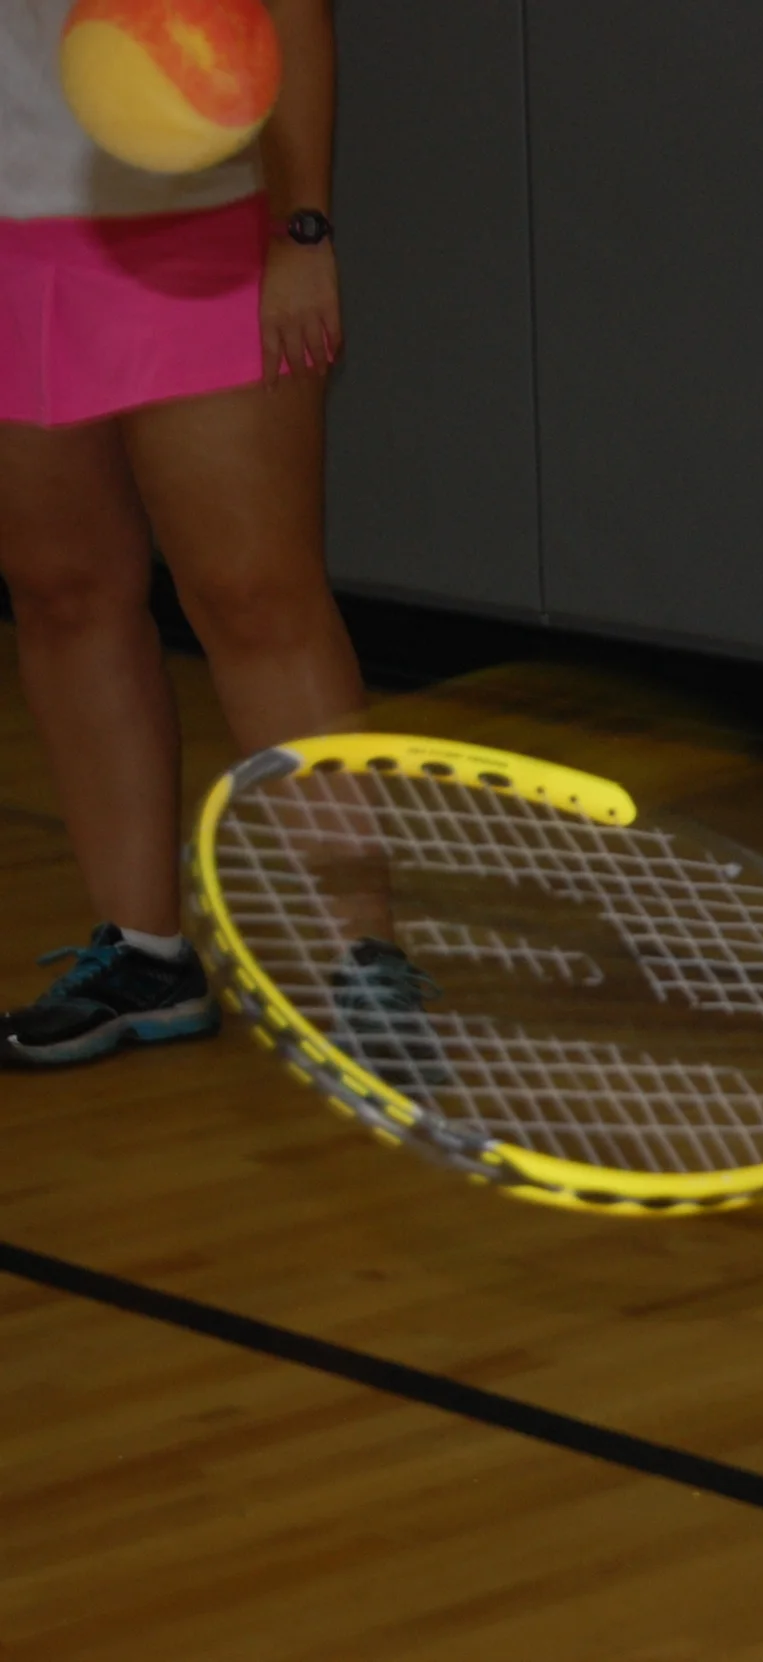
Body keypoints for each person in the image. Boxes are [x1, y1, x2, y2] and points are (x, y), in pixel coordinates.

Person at [0, 0, 417, 1067]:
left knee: (255, 594)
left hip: (211, 224)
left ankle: (360, 959)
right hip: (13, 232)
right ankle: (143, 959)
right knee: (61, 592)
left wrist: (302, 227)